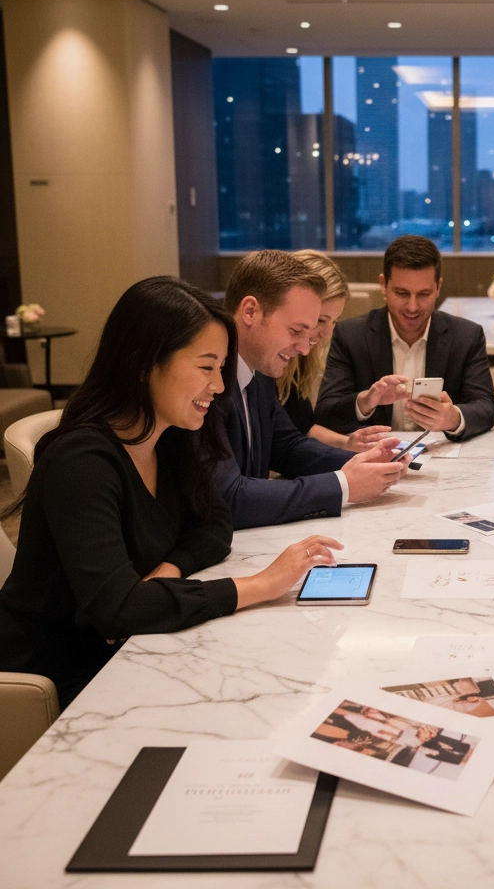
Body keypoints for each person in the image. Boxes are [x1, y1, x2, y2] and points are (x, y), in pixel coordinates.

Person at [0, 277, 342, 709]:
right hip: (58, 679)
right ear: (145, 363)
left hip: (128, 653)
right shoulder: (81, 462)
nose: (219, 387)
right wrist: (260, 585)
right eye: (206, 367)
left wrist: (170, 569)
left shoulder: (171, 437)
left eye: (221, 368)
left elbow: (215, 524)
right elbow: (117, 610)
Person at [218, 250, 407, 529]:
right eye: (296, 331)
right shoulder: (208, 380)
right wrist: (342, 484)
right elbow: (228, 498)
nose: (306, 348)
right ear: (250, 311)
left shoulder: (258, 369)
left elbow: (287, 446)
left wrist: (363, 462)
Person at [315, 235, 494, 439]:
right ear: (384, 285)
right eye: (402, 293)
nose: (412, 307)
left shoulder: (466, 336)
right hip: (375, 458)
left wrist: (454, 418)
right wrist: (365, 402)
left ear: (438, 287)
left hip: (445, 458)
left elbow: (486, 407)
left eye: (423, 294)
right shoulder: (351, 335)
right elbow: (325, 412)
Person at [277, 250, 392, 452]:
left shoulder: (299, 357)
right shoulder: (266, 358)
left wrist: (349, 444)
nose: (327, 334)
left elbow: (303, 428)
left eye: (334, 321)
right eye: (320, 320)